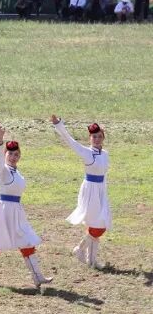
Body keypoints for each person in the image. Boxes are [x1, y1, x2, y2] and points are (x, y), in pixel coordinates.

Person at [0, 123, 51, 288]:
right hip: (3, 211)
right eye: (10, 154)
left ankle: (37, 276)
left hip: (16, 211)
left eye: (16, 154)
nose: (13, 157)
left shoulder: (17, 172)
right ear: (5, 154)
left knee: (26, 241)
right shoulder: (3, 171)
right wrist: (0, 140)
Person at [50, 115, 110, 268]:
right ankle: (80, 250)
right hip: (90, 191)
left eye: (99, 136)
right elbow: (70, 141)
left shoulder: (105, 154)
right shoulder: (86, 153)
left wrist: (103, 194)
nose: (97, 139)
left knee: (98, 224)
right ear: (90, 138)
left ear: (103, 137)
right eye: (94, 137)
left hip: (101, 191)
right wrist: (59, 125)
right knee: (98, 226)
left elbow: (103, 174)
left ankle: (91, 260)